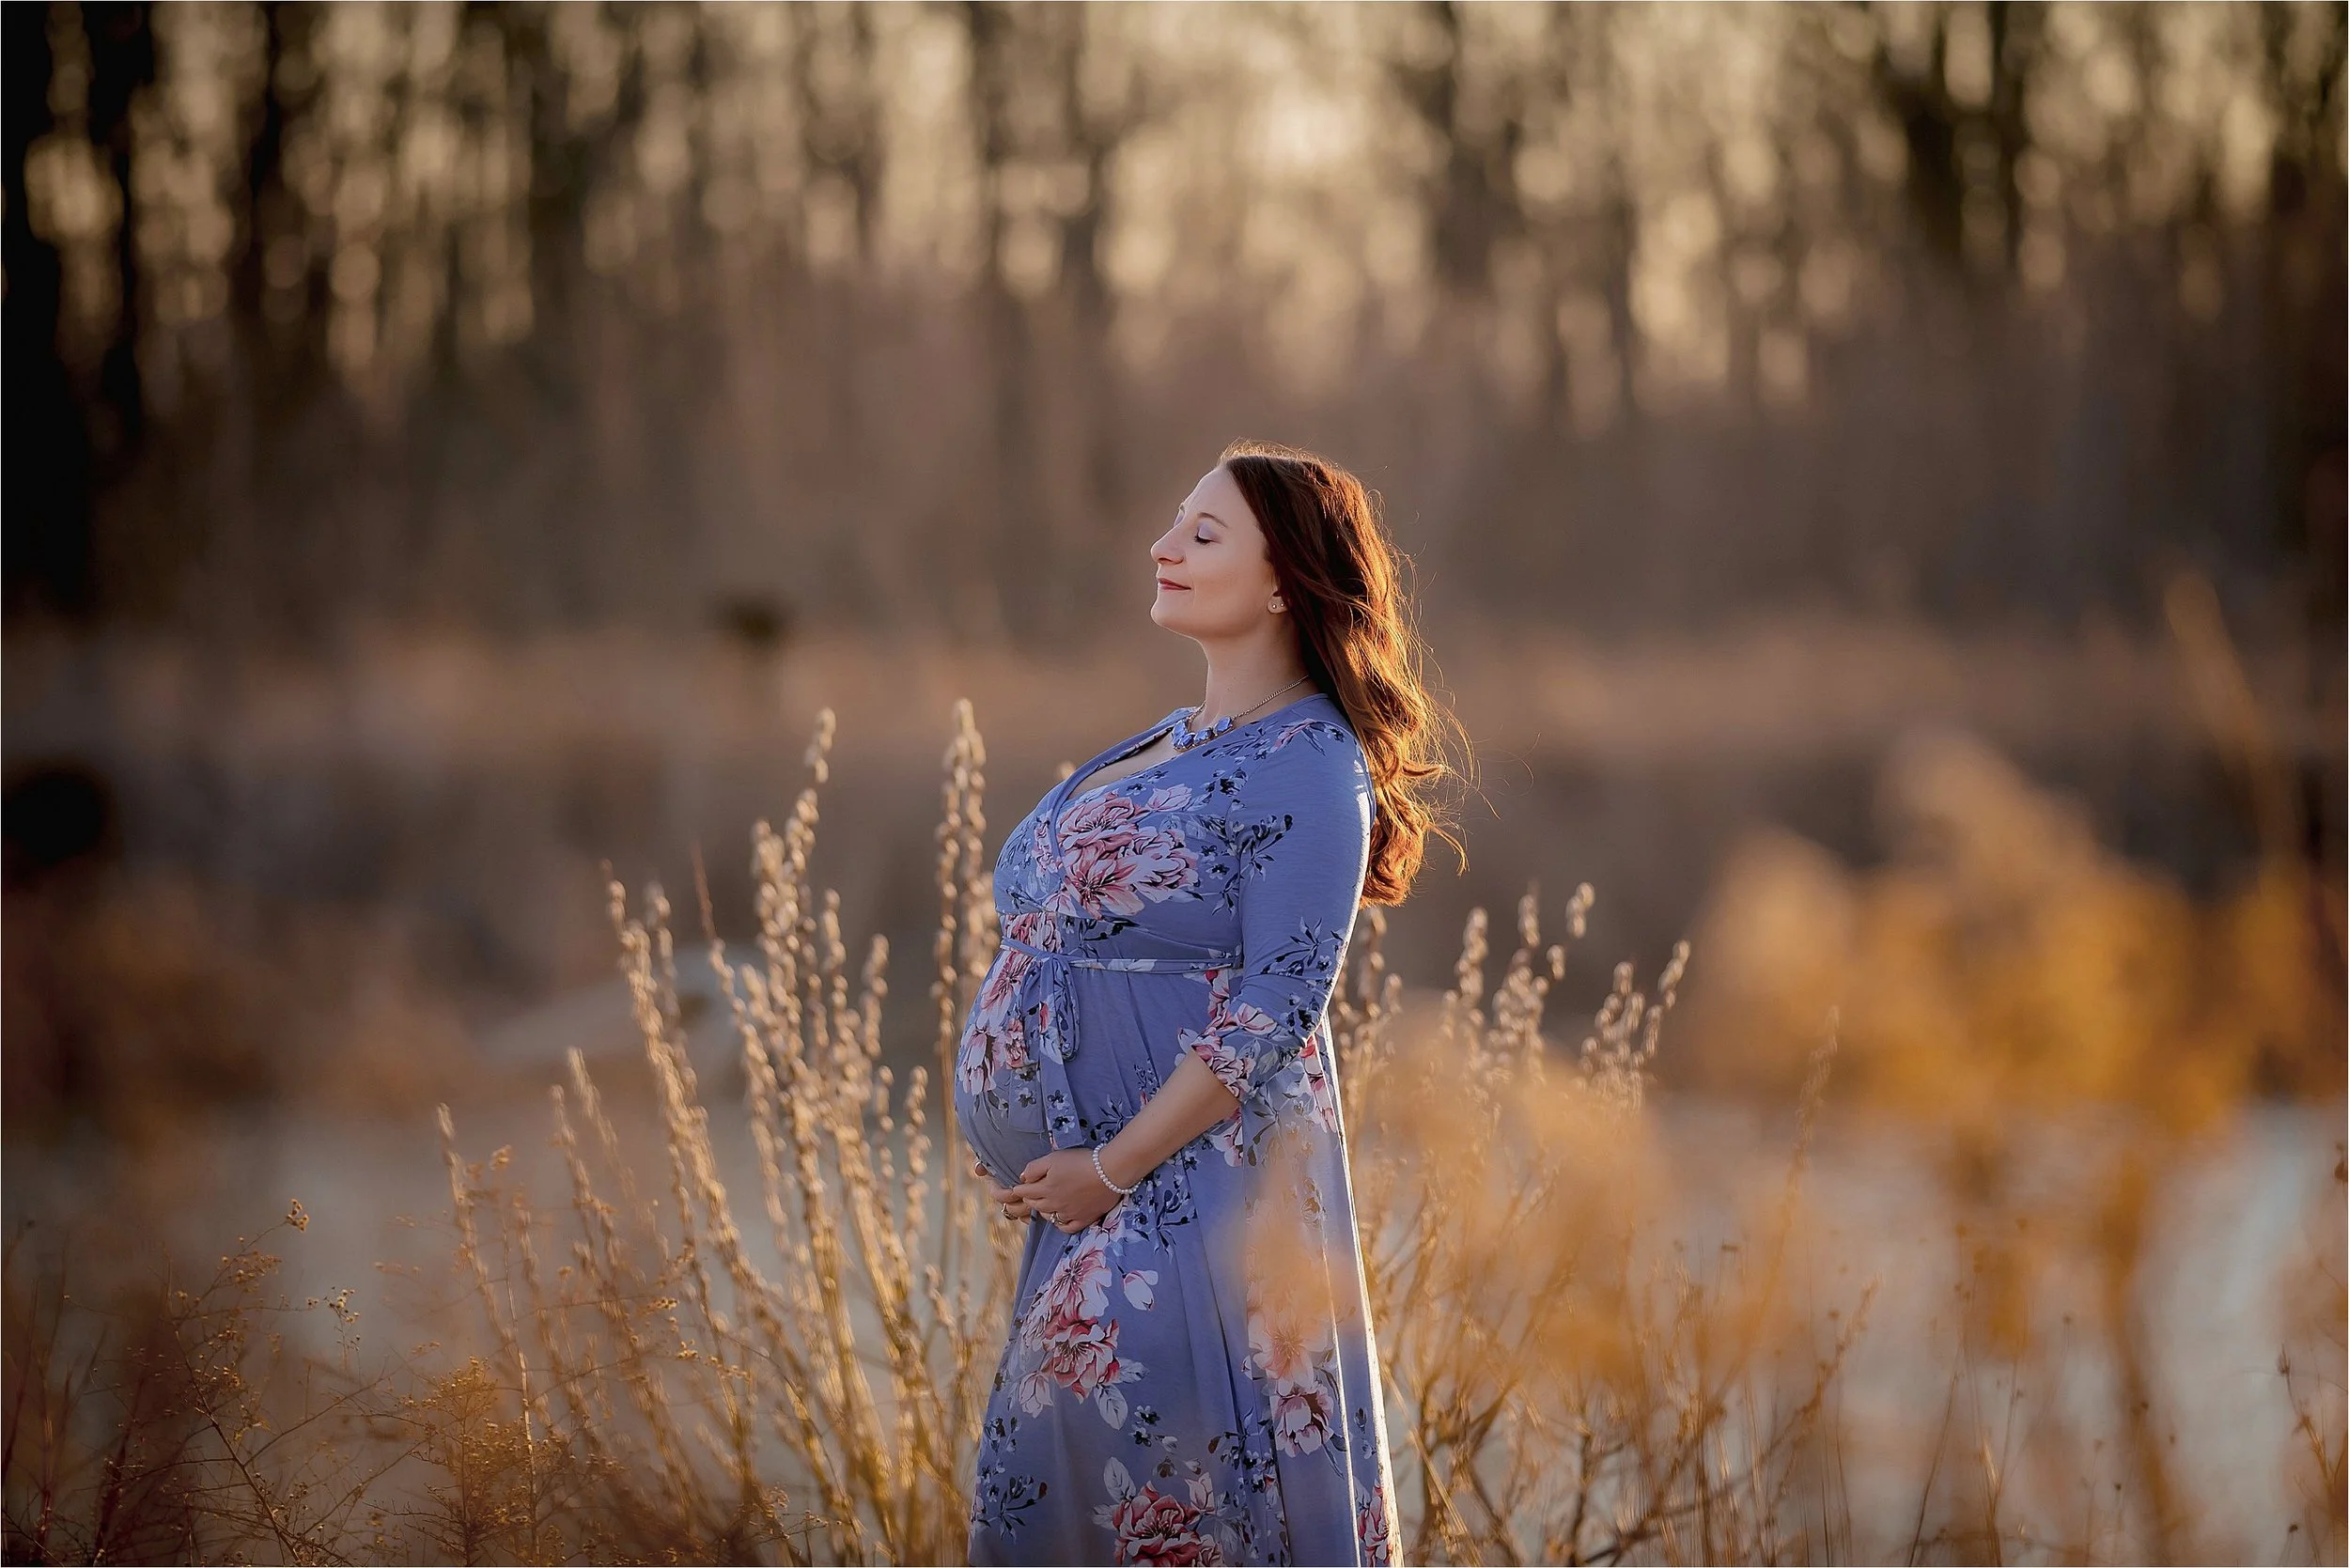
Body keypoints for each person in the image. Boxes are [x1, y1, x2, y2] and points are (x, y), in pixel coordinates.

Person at [955, 439, 1467, 1566]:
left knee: (1145, 1498)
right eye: (1172, 524)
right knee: (1042, 1497)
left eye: (1201, 533)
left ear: (1283, 574)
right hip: (1094, 1208)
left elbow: (1274, 1010)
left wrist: (1112, 1165)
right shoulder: (1172, 742)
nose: (1162, 547)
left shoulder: (1310, 765)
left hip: (1193, 1206)